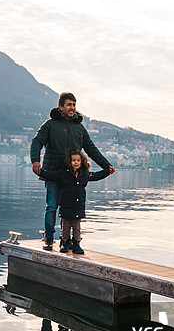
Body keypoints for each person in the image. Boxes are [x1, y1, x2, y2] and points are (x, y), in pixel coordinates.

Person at [30, 92, 115, 250]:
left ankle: (66, 240)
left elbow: (91, 149)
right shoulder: (50, 125)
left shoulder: (79, 128)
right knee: (52, 206)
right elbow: (37, 141)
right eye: (69, 105)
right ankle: (49, 238)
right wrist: (35, 160)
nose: (72, 108)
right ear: (60, 106)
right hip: (54, 172)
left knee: (69, 209)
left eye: (74, 105)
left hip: (72, 176)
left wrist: (106, 165)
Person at [38, 148, 110, 254]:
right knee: (66, 226)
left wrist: (108, 171)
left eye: (78, 160)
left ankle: (76, 244)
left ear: (82, 161)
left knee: (77, 227)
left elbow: (96, 176)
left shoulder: (84, 174)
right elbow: (51, 176)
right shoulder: (63, 173)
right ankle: (65, 242)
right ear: (69, 161)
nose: (76, 162)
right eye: (73, 160)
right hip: (66, 204)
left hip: (78, 205)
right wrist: (40, 172)